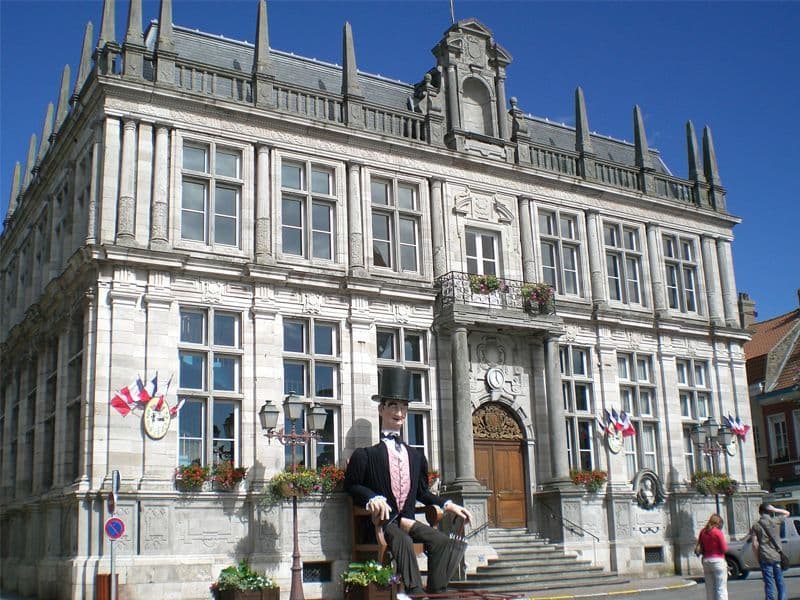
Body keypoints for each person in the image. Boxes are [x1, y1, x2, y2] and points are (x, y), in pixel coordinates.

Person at [345, 367, 473, 597]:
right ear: (381, 409)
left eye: (404, 406)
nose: (399, 412)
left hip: (407, 521)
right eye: (393, 405)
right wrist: (372, 498)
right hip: (382, 523)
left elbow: (422, 492)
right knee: (402, 539)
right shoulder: (366, 455)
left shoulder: (415, 456)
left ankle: (437, 591)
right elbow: (352, 486)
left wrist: (448, 504)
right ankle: (415, 592)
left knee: (443, 541)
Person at [749, 503, 790, 600]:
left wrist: (758, 558)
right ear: (770, 512)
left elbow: (754, 544)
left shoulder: (756, 525)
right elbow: (787, 513)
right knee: (780, 582)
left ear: (760, 512)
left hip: (764, 556)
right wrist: (775, 509)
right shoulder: (776, 521)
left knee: (769, 583)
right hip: (776, 556)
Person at [697, 513, 728, 600]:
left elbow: (700, 546)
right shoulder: (717, 532)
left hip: (706, 561)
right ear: (718, 523)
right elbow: (724, 549)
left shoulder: (703, 531)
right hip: (718, 561)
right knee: (721, 588)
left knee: (710, 589)